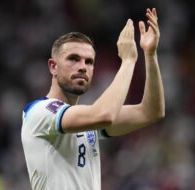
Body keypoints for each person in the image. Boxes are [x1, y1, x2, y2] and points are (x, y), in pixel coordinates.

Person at [21, 8, 165, 190]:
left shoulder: (87, 121)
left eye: (89, 62)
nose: (82, 67)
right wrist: (128, 61)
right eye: (73, 59)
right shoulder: (39, 112)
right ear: (53, 66)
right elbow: (104, 114)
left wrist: (150, 56)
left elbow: (151, 112)